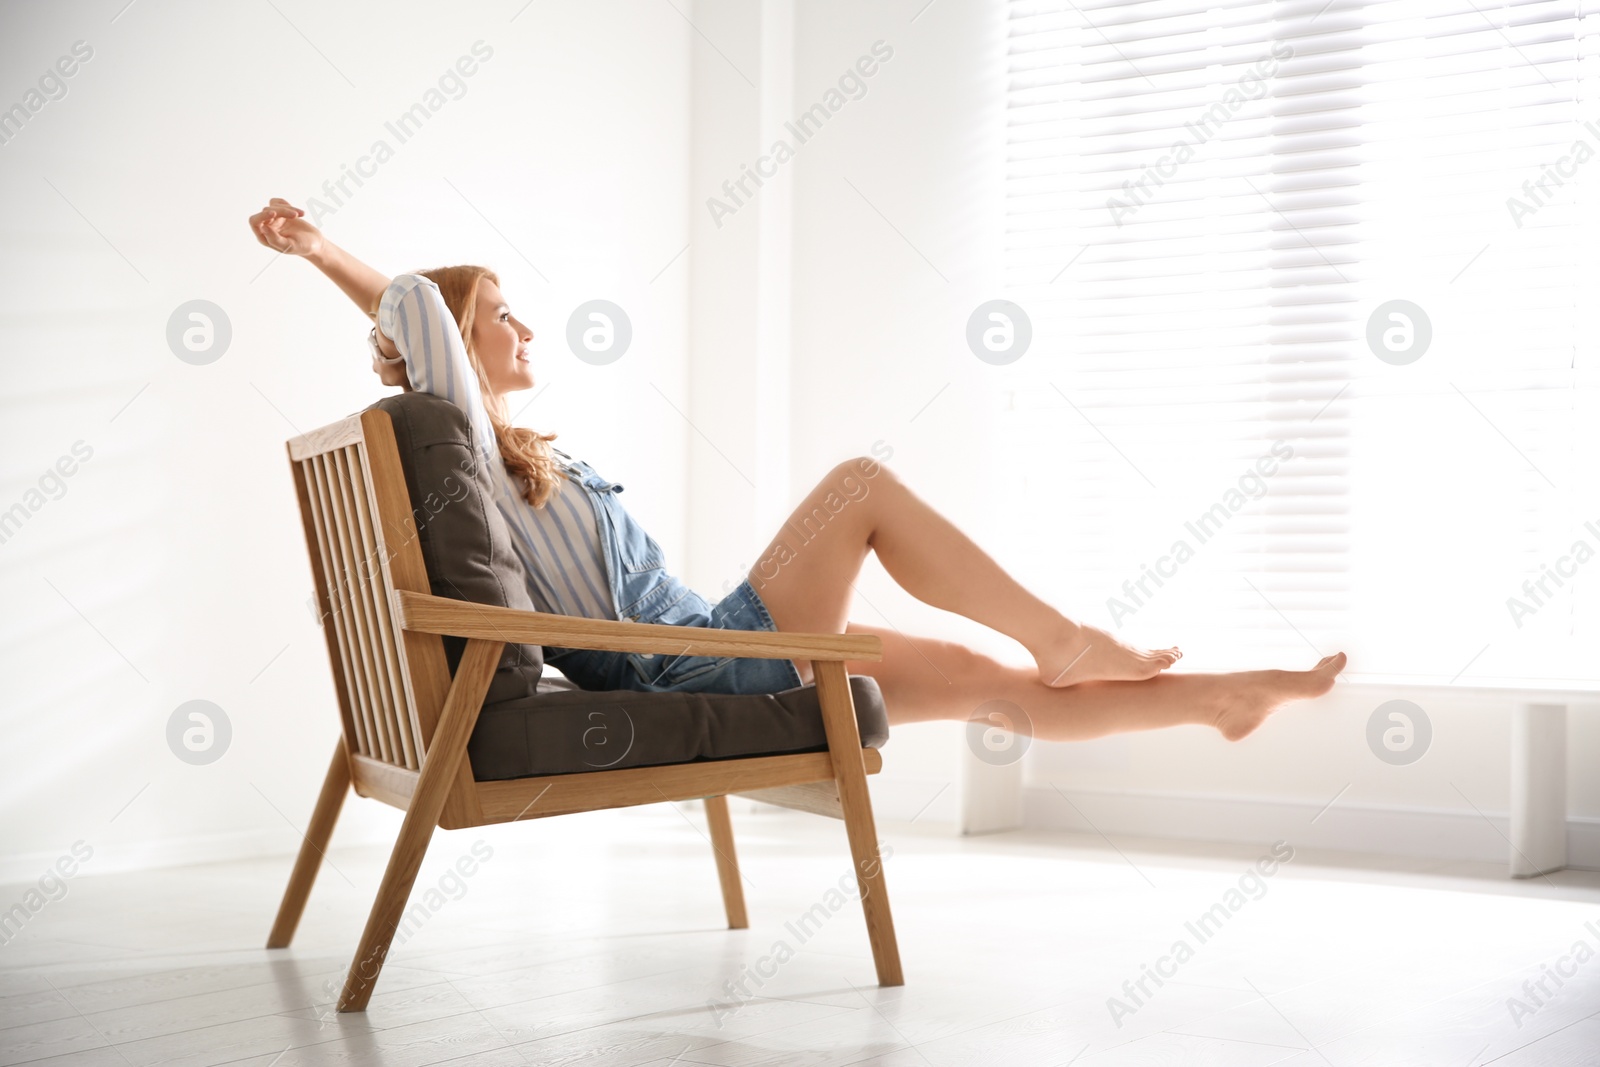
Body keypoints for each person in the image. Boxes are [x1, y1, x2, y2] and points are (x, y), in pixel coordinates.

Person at [248, 197, 1345, 744]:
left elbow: (430, 318)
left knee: (975, 680)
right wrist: (321, 250)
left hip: (705, 643)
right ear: (454, 340)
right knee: (858, 485)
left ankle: (1223, 697)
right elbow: (415, 310)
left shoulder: (516, 453)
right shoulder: (462, 441)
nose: (524, 325)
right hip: (691, 663)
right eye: (499, 314)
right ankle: (1061, 634)